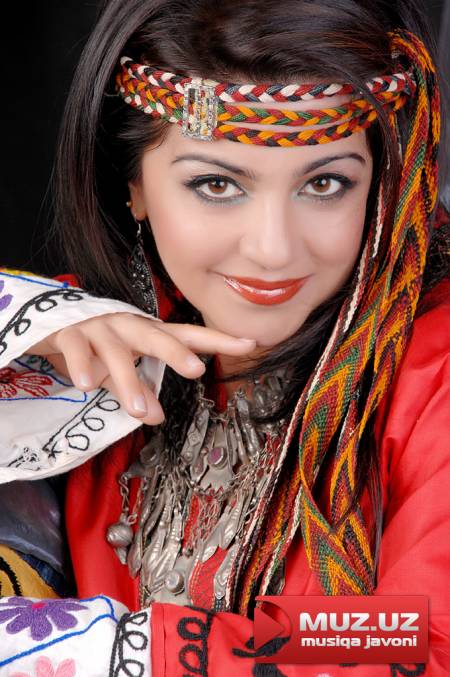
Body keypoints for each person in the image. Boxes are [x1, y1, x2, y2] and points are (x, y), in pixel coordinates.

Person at [0, 0, 449, 674]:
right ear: (134, 184)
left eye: (326, 183)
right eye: (216, 184)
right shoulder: (92, 336)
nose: (273, 249)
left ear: (382, 184)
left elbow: (419, 641)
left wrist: (116, 649)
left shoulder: (433, 369)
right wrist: (27, 321)